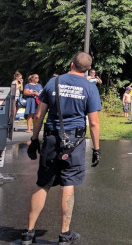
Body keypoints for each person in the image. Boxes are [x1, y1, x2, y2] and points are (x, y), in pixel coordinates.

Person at [21, 51, 101, 245]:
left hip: (51, 139)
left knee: (43, 183)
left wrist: (33, 140)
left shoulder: (53, 82)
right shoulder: (89, 88)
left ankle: (29, 232)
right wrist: (97, 149)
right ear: (87, 69)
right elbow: (94, 123)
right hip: (74, 143)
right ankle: (65, 234)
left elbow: (39, 115)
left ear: (71, 64)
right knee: (68, 184)